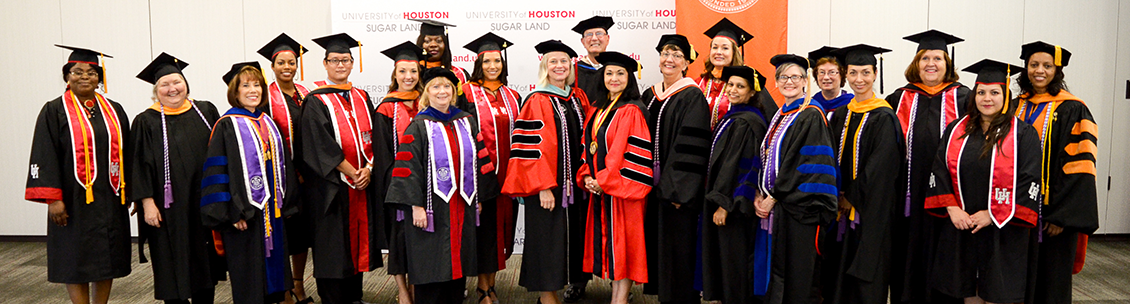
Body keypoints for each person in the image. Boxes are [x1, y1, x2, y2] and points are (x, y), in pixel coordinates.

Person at [925, 59, 1039, 304]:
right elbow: (939, 169)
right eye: (981, 92)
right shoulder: (957, 129)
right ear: (974, 96)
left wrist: (992, 213)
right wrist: (952, 208)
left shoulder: (1022, 134)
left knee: (998, 291)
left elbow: (1029, 179)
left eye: (995, 92)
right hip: (964, 225)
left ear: (1006, 96)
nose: (987, 98)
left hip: (1003, 227)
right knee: (969, 290)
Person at [25, 45, 130, 304]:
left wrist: (133, 193)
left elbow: (129, 153)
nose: (85, 77)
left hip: (109, 198)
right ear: (67, 76)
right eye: (77, 71)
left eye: (92, 72)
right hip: (72, 200)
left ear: (99, 78)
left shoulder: (114, 110)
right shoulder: (54, 110)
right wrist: (53, 199)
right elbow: (44, 153)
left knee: (107, 256)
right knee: (75, 258)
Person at [386, 67, 497, 304]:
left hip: (461, 204)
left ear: (454, 92)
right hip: (431, 208)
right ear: (426, 93)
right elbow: (408, 167)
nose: (442, 91)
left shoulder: (466, 121)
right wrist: (415, 206)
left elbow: (480, 161)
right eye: (435, 86)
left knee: (457, 262)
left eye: (446, 86)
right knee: (431, 262)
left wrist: (477, 199)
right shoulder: (419, 125)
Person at [299, 33, 391, 304]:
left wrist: (369, 169)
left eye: (345, 60)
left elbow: (375, 137)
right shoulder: (316, 101)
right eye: (335, 60)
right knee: (333, 245)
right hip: (332, 187)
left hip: (362, 182)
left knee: (358, 240)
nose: (340, 65)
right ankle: (333, 298)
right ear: (325, 64)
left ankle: (355, 296)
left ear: (353, 63)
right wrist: (352, 172)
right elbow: (319, 144)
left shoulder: (362, 96)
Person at [501, 40, 590, 304]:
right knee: (545, 241)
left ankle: (569, 287)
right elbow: (529, 148)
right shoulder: (536, 99)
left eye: (564, 61)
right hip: (546, 188)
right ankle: (546, 296)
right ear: (545, 66)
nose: (559, 66)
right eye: (553, 62)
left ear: (571, 65)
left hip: (573, 187)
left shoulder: (577, 97)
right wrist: (542, 186)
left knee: (569, 239)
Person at [201, 62, 298, 304]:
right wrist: (233, 213)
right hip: (244, 216)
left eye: (257, 85)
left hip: (272, 214)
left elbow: (283, 165)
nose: (253, 90)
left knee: (273, 281)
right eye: (246, 85)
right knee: (249, 281)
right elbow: (218, 172)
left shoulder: (268, 122)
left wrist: (287, 204)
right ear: (235, 92)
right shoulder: (227, 125)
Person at [884, 29, 969, 304]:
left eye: (937, 58)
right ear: (916, 63)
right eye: (925, 58)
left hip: (951, 199)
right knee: (908, 257)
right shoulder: (897, 99)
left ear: (948, 64)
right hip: (908, 198)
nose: (931, 64)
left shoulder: (965, 98)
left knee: (945, 258)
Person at [130, 52, 221, 304]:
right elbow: (139, 165)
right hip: (167, 209)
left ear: (186, 84)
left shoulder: (205, 110)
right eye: (164, 85)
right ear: (156, 90)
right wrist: (147, 203)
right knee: (171, 263)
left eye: (177, 82)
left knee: (205, 263)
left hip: (203, 202)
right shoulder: (145, 121)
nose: (172, 89)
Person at [1014, 42, 1099, 304]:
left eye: (1047, 66)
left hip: (1054, 215)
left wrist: (1062, 217)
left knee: (1051, 283)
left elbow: (1081, 166)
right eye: (1034, 65)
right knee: (1017, 276)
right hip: (1018, 211)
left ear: (1057, 70)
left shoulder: (1073, 108)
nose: (1039, 71)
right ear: (1026, 68)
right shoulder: (1015, 106)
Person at [824, 45, 904, 304]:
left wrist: (853, 196)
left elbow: (882, 166)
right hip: (838, 208)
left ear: (875, 74)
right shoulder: (841, 114)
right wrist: (834, 193)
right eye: (853, 72)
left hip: (872, 211)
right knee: (837, 271)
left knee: (868, 271)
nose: (859, 79)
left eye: (866, 73)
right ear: (845, 75)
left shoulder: (884, 116)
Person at [760, 54, 837, 304]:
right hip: (781, 209)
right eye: (783, 77)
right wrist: (760, 193)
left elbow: (805, 165)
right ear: (776, 81)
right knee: (780, 273)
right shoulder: (780, 114)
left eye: (795, 77)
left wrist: (773, 197)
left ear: (805, 81)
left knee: (800, 278)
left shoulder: (811, 114)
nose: (789, 82)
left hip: (803, 210)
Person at [577, 51, 653, 304]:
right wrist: (586, 174)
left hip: (623, 191)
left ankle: (619, 300)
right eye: (609, 73)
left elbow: (626, 152)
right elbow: (586, 146)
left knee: (624, 247)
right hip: (601, 189)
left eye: (620, 73)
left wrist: (604, 180)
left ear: (629, 78)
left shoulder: (632, 110)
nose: (614, 78)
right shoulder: (596, 108)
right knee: (611, 246)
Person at [640, 34, 710, 304]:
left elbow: (691, 148)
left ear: (686, 63)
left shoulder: (693, 96)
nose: (669, 59)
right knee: (660, 247)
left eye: (677, 55)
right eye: (665, 54)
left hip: (677, 192)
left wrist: (678, 190)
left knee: (679, 249)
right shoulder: (650, 94)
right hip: (652, 188)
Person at [461, 32, 523, 304]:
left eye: (497, 61)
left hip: (508, 177)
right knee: (483, 232)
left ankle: (492, 284)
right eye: (487, 62)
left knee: (501, 232)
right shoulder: (466, 93)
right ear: (478, 64)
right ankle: (481, 288)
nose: (492, 66)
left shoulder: (513, 95)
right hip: (479, 176)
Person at [700, 65, 770, 304]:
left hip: (735, 209)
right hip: (726, 204)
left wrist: (725, 204)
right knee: (726, 263)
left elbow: (743, 168)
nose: (733, 90)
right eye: (730, 85)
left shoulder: (747, 123)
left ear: (752, 93)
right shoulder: (733, 117)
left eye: (740, 86)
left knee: (735, 265)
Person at [255, 33, 315, 304]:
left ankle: (299, 284)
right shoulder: (266, 96)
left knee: (303, 234)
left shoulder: (305, 94)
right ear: (273, 66)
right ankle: (283, 289)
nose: (288, 67)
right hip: (280, 174)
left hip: (309, 174)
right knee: (284, 232)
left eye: (292, 62)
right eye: (282, 63)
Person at [375, 40, 425, 304]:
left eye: (413, 71)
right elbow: (382, 154)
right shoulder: (386, 107)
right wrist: (393, 187)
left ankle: (418, 287)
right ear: (395, 74)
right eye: (403, 71)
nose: (408, 77)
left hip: (426, 184)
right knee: (399, 239)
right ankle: (403, 291)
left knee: (421, 239)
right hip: (398, 184)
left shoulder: (428, 103)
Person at [697, 18, 777, 127]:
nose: (718, 52)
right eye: (714, 47)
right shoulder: (701, 82)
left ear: (734, 52)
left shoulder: (747, 81)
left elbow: (768, 116)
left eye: (725, 48)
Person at [412, 19, 470, 84]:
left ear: (445, 45)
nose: (433, 45)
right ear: (421, 44)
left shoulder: (459, 74)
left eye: (439, 41)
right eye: (427, 41)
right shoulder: (413, 74)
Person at [571, 15, 613, 104]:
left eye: (599, 33)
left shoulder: (617, 69)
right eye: (589, 34)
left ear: (607, 39)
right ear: (583, 42)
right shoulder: (573, 72)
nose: (594, 38)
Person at [808, 46, 854, 117]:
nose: (826, 77)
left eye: (832, 72)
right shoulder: (811, 104)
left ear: (841, 75)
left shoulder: (851, 103)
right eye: (822, 72)